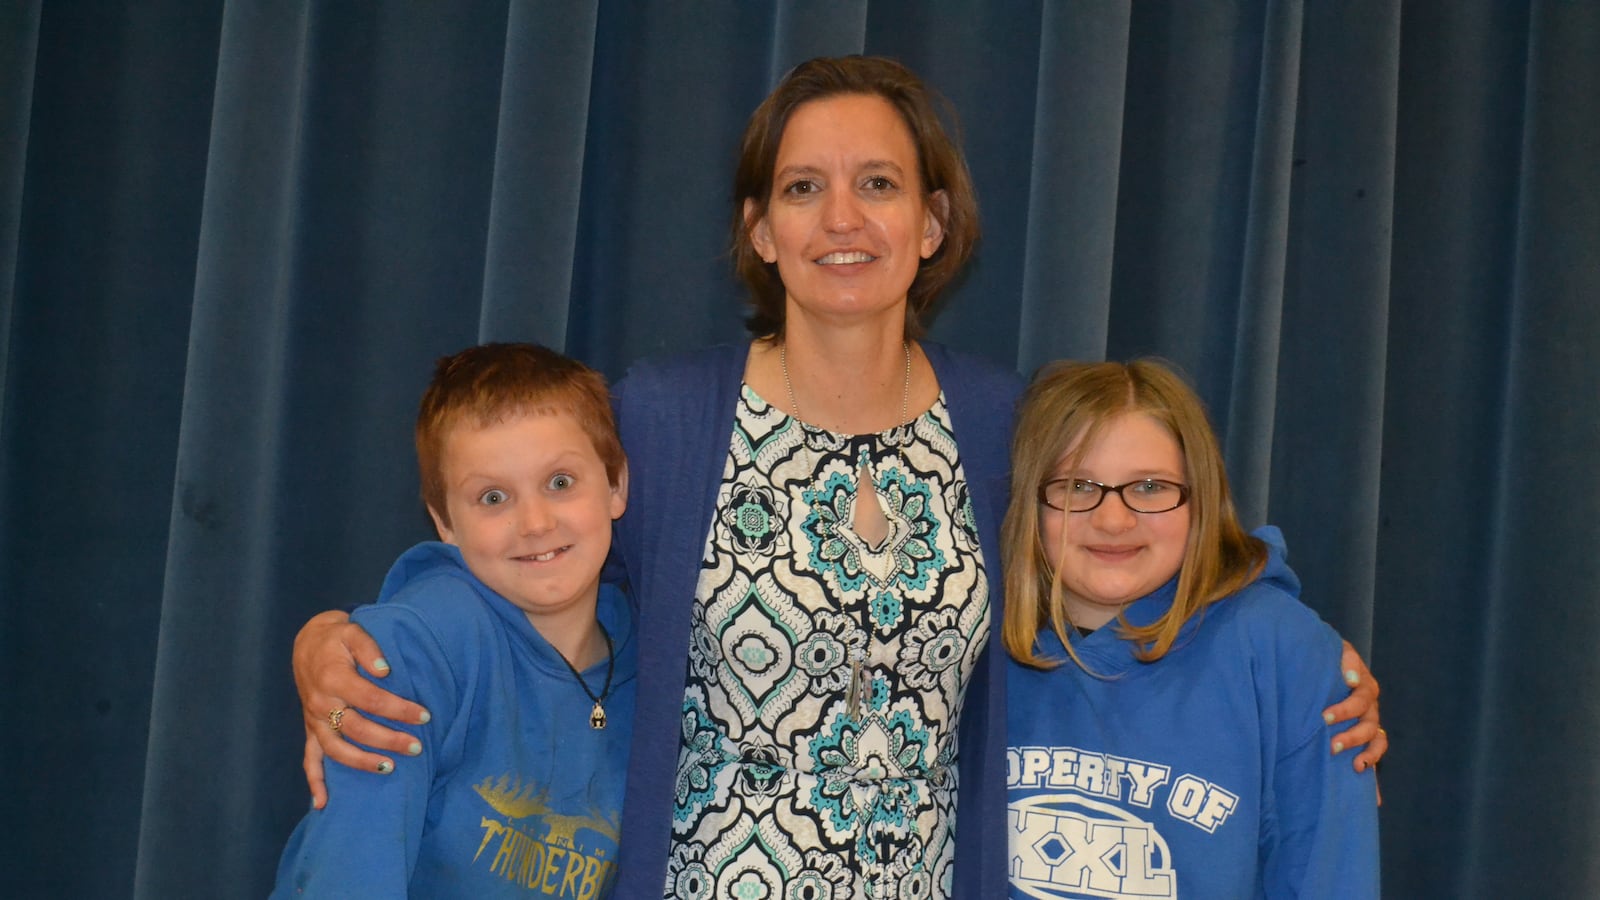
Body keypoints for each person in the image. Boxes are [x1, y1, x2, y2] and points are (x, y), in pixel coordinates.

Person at [286, 56, 1385, 899]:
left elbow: (1153, 520)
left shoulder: (1003, 424)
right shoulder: (665, 420)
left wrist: (1301, 643)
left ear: (932, 223)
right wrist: (336, 638)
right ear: (760, 229)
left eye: (879, 184)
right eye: (803, 188)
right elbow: (521, 540)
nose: (843, 219)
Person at [1002, 358, 1380, 898]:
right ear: (1027, 501)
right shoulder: (963, 644)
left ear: (1200, 499)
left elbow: (1331, 876)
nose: (1113, 519)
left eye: (1151, 486)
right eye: (1076, 486)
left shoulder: (1284, 653)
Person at [272, 343, 634, 898]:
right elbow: (347, 872)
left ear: (615, 486)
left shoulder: (658, 662)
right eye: (493, 497)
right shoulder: (413, 649)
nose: (535, 522)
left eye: (560, 482)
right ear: (444, 521)